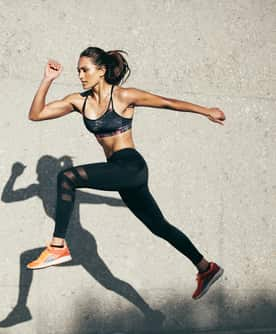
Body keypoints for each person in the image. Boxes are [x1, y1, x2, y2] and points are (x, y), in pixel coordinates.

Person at [27, 47, 226, 300]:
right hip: (118, 173)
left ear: (101, 71)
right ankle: (206, 268)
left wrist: (206, 110)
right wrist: (47, 80)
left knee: (67, 177)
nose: (80, 75)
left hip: (131, 166)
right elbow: (36, 115)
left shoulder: (123, 96)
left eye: (85, 69)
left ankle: (57, 246)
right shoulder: (79, 101)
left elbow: (168, 102)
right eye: (78, 70)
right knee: (159, 226)